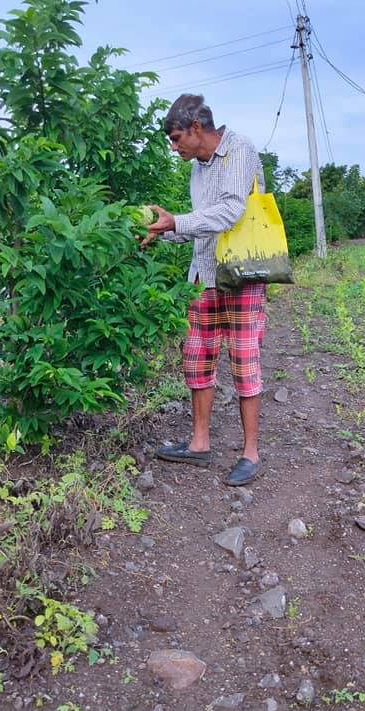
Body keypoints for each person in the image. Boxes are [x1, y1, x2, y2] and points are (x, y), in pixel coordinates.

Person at [141, 93, 266, 487]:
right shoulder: (198, 167)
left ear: (196, 128)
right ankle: (199, 444)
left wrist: (177, 222)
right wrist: (162, 232)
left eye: (176, 138)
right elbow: (201, 224)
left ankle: (250, 453)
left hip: (242, 272)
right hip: (204, 275)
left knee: (244, 360)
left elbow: (231, 211)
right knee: (197, 357)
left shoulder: (239, 148)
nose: (174, 147)